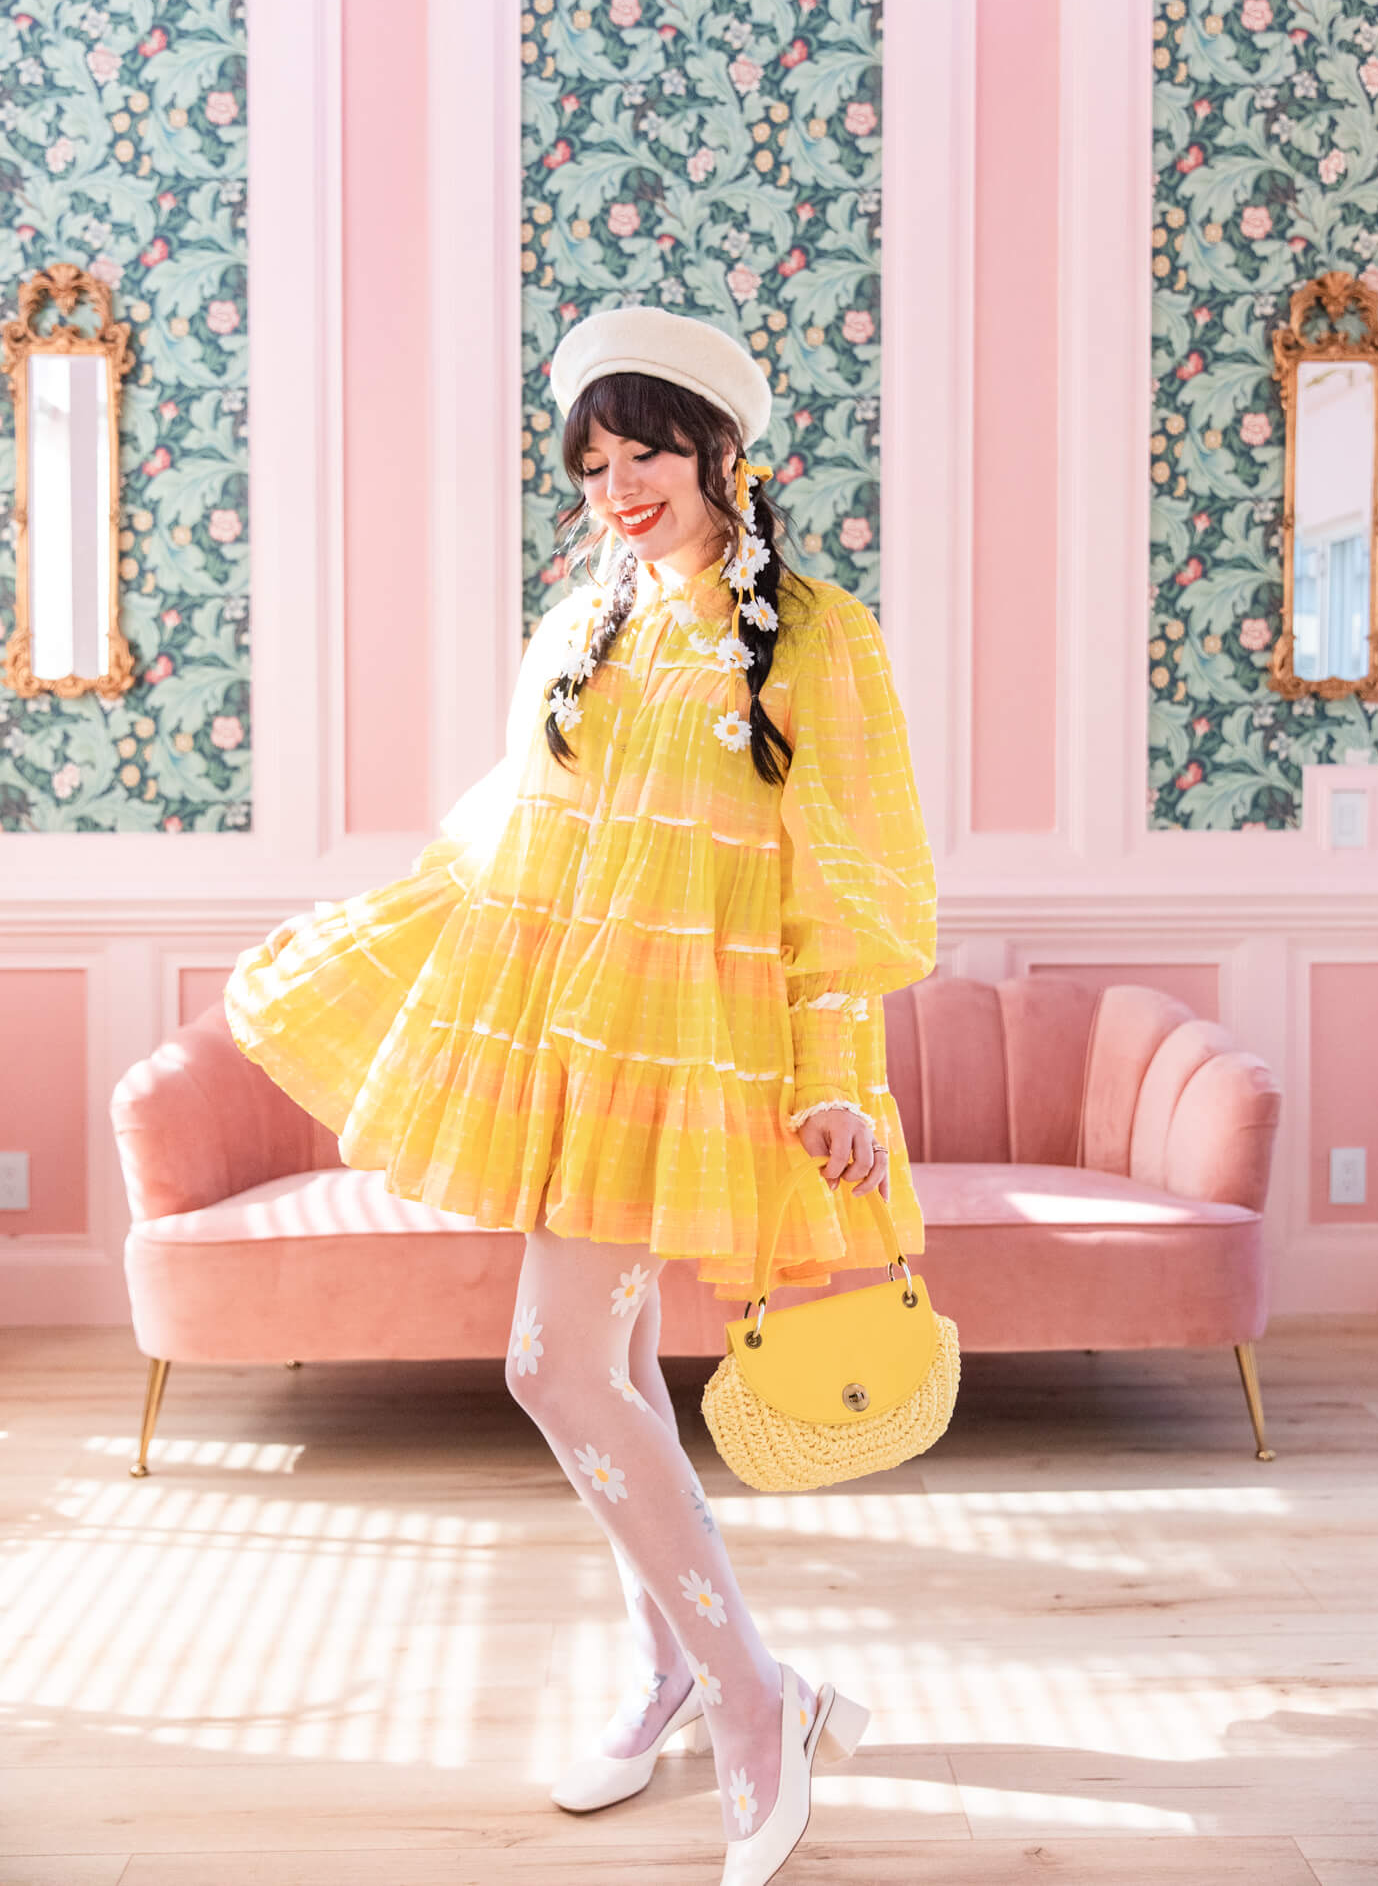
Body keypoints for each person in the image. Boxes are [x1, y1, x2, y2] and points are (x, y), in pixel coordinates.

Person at [224, 304, 938, 1884]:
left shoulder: (820, 638)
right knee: (593, 1363)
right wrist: (355, 942)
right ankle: (684, 1669)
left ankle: (755, 1699)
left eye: (649, 453)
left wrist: (837, 1078)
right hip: (569, 1044)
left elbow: (856, 879)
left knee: (553, 1366)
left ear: (720, 451)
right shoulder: (581, 627)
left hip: (705, 1047)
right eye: (597, 462)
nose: (620, 487)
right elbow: (507, 849)